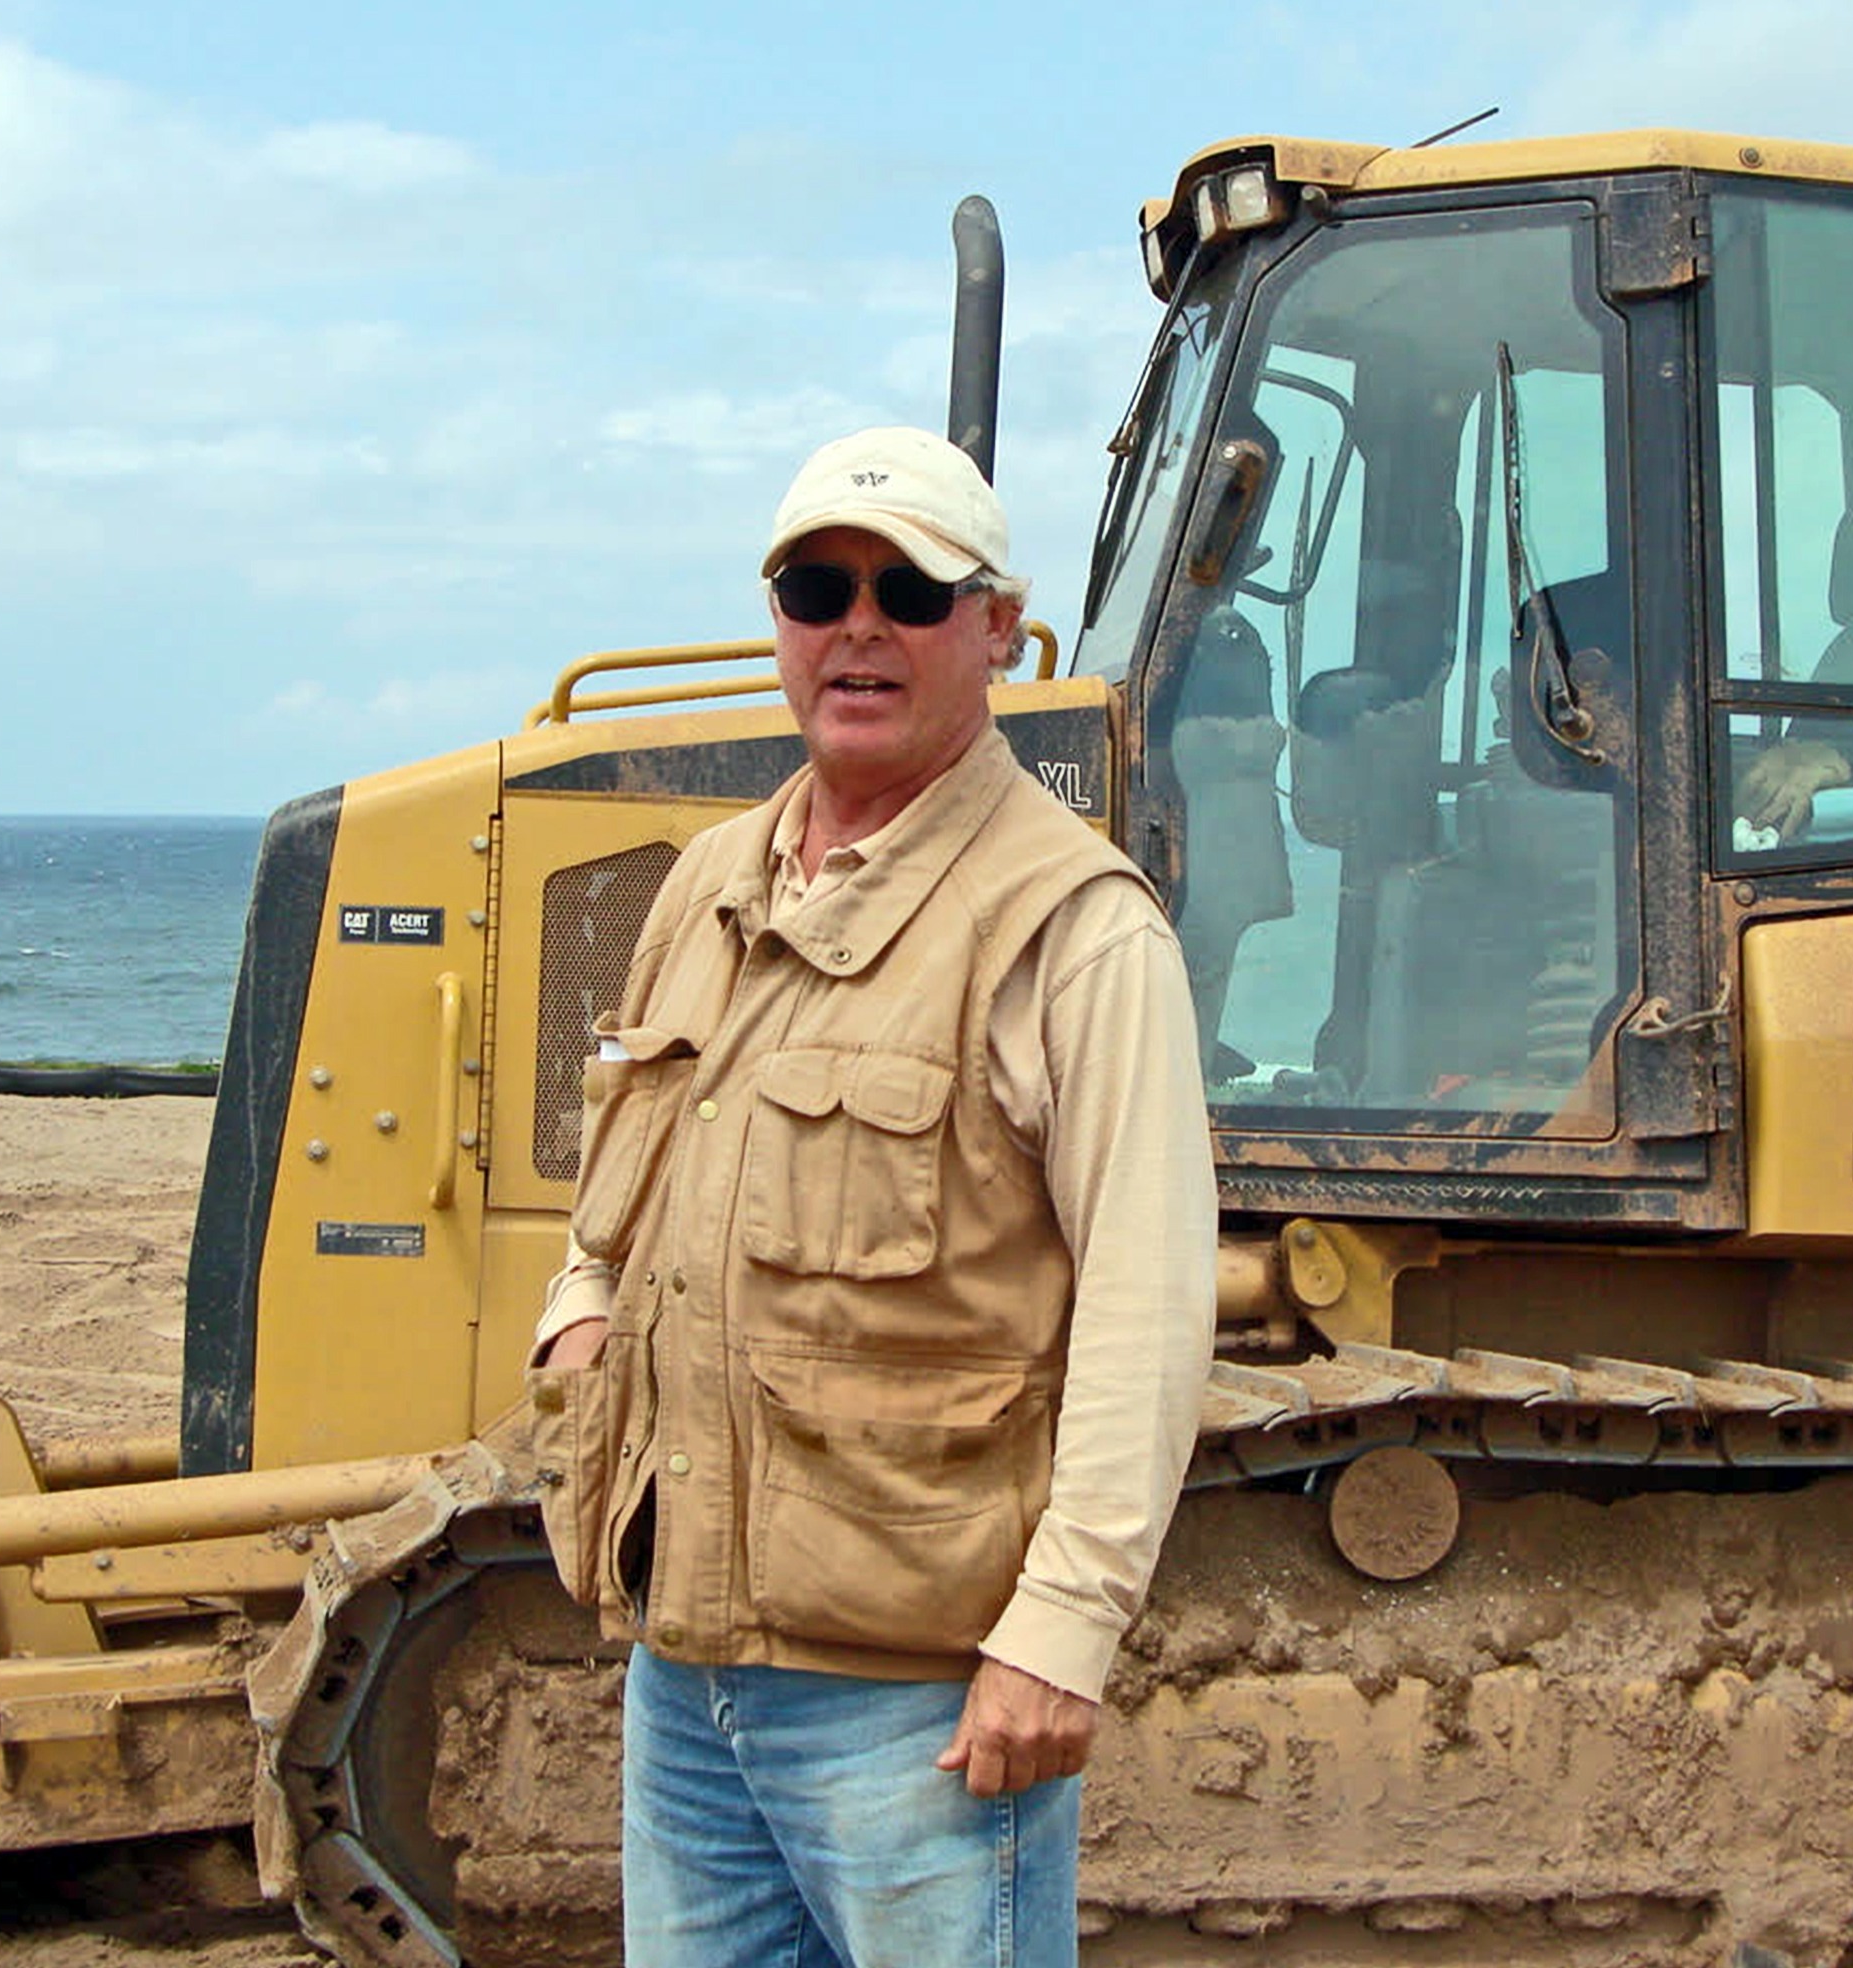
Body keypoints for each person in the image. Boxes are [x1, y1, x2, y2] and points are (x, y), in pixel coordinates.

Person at [524, 426, 1218, 1966]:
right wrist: (579, 1322)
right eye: (816, 583)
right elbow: (618, 1193)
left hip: (913, 1710)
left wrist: (1060, 1634)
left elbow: (1147, 1312)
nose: (859, 623)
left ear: (995, 631)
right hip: (685, 1678)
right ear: (775, 618)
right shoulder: (702, 883)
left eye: (911, 590)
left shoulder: (1074, 930)